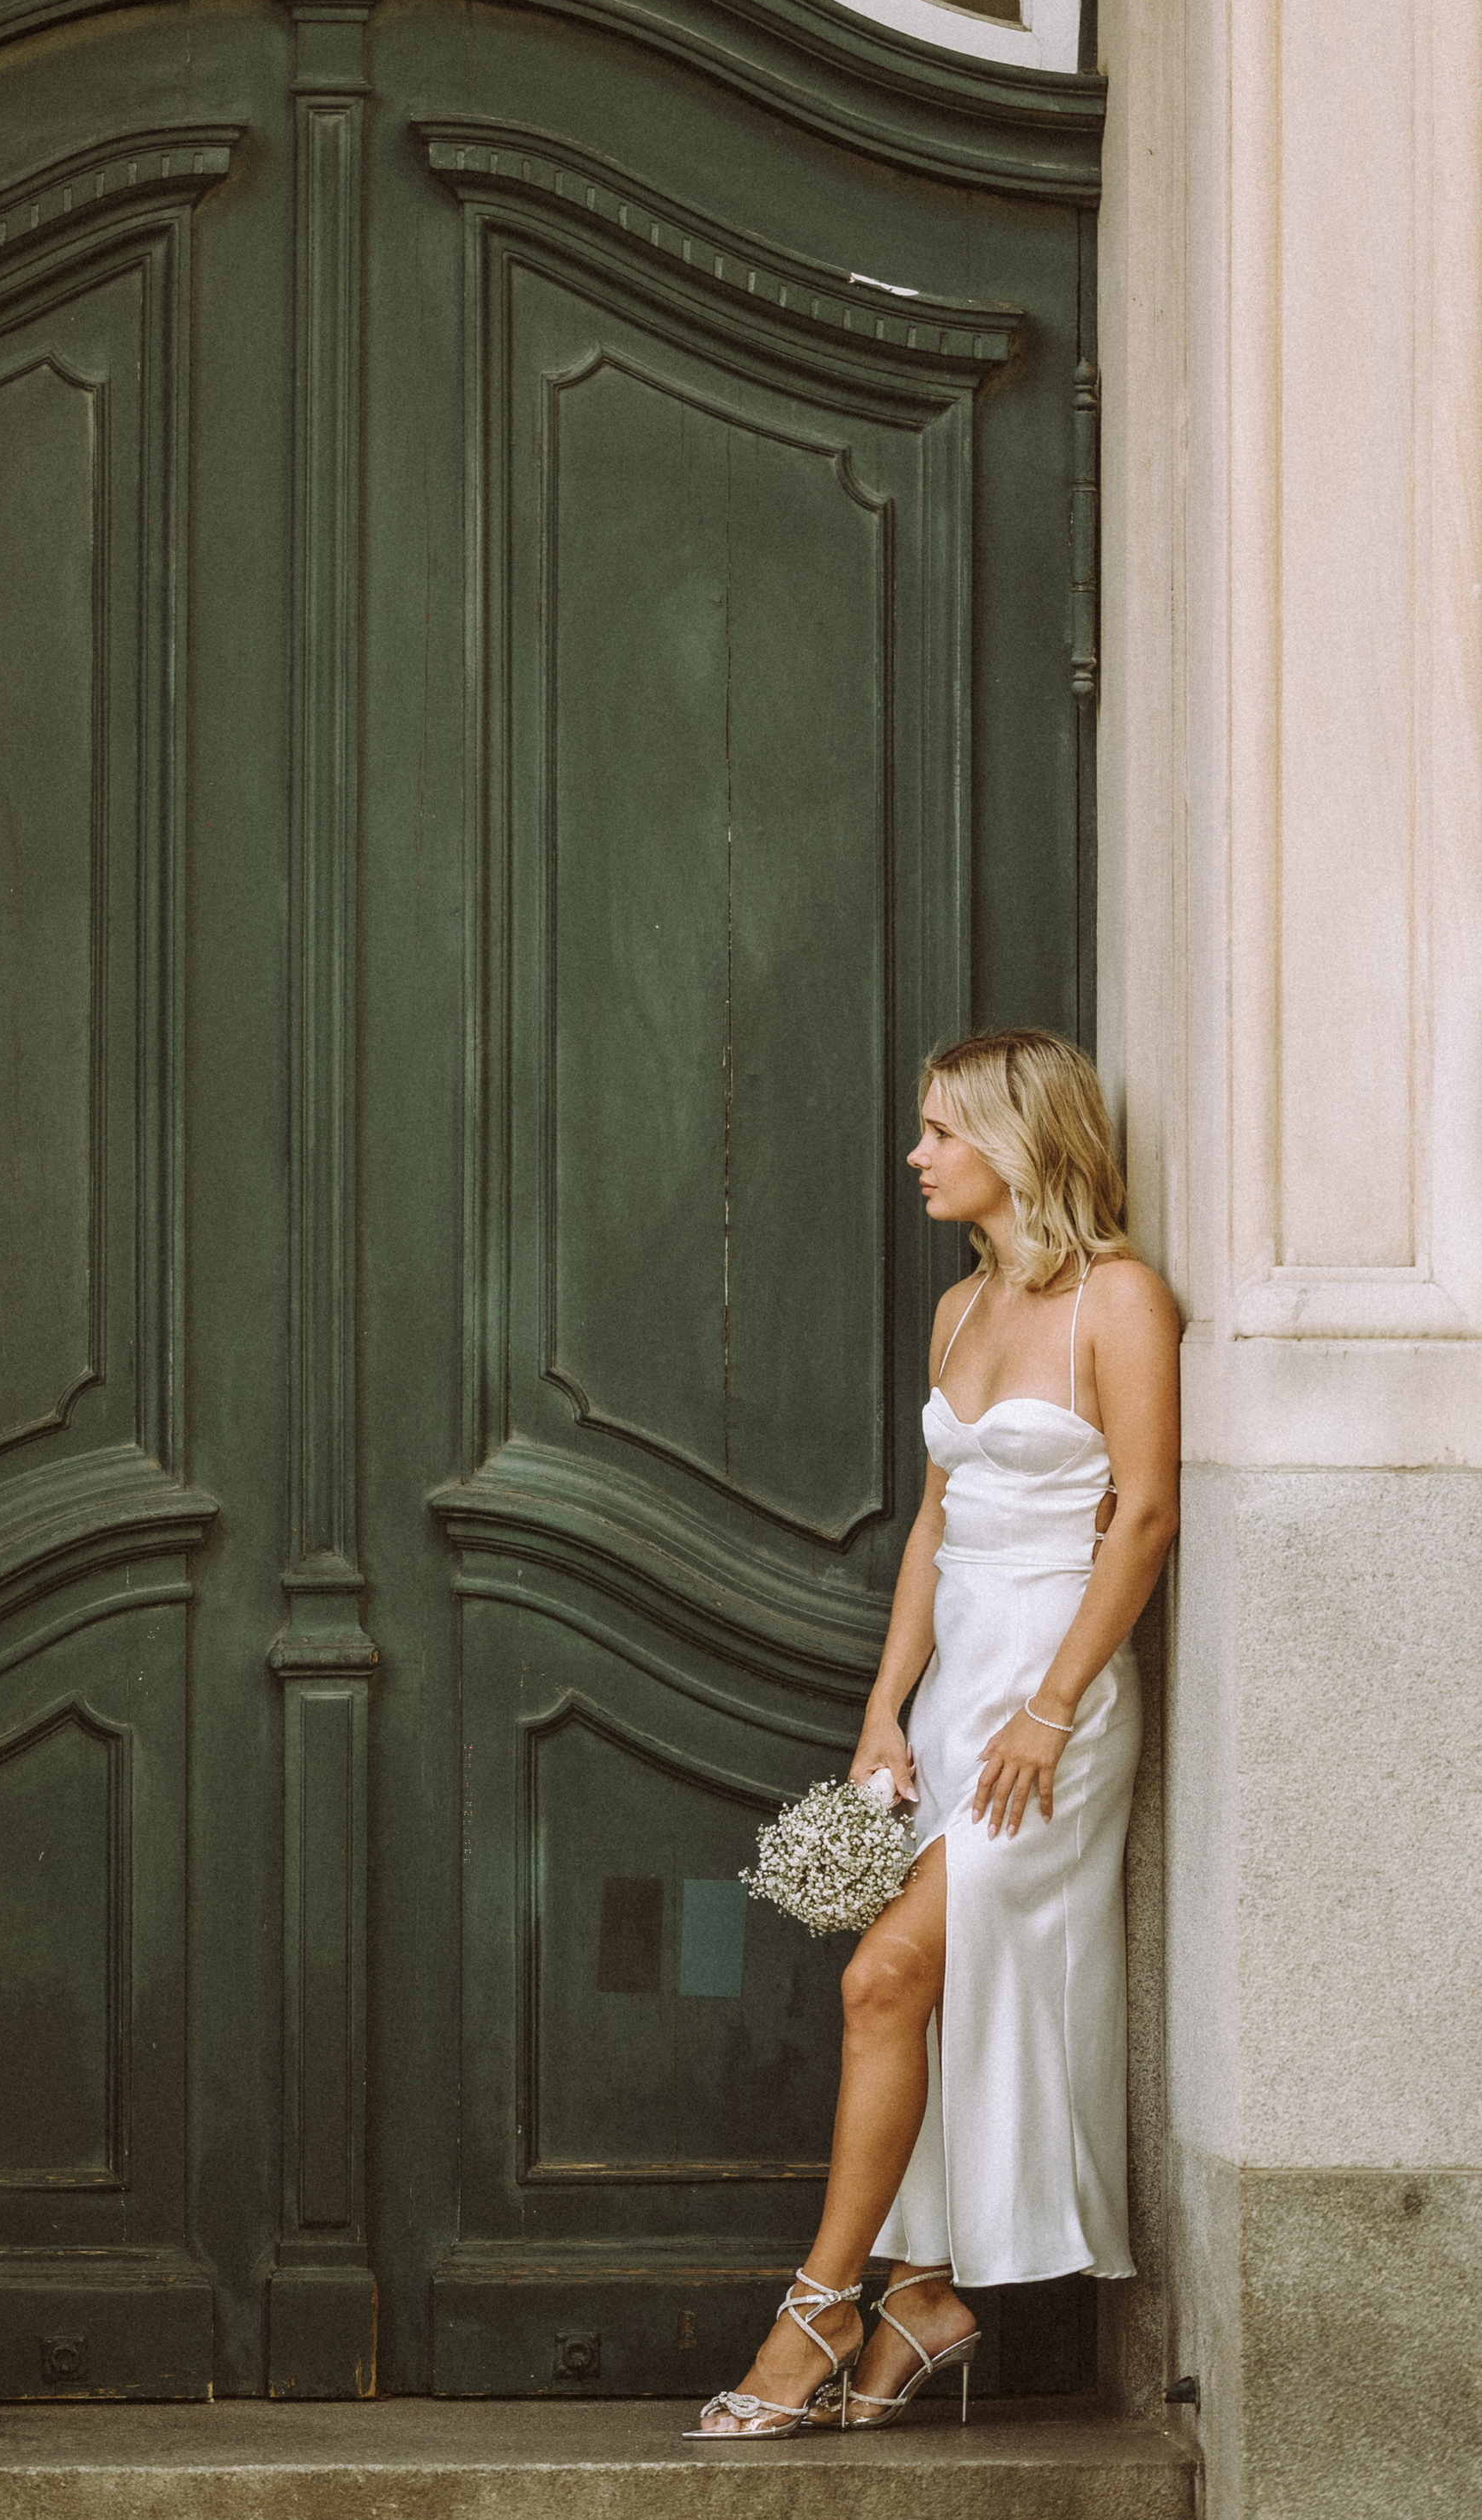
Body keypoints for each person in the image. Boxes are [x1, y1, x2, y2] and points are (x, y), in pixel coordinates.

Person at [688, 1030, 1181, 2443]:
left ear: (1020, 1141)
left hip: (1056, 1700)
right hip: (961, 1687)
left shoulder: (1122, 1302)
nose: (916, 1155)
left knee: (885, 1978)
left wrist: (1052, 1704)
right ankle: (921, 2296)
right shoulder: (960, 1312)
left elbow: (1142, 1517)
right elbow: (939, 1522)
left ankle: (820, 2308)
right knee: (930, 1993)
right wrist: (883, 1708)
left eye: (940, 1131)